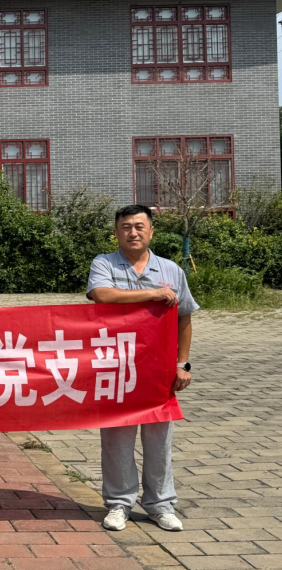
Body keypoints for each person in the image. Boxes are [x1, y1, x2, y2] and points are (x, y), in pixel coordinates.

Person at [87, 204, 197, 533]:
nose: (132, 232)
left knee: (158, 438)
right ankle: (119, 503)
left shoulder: (171, 270)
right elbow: (102, 295)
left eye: (139, 227)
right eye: (125, 227)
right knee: (117, 438)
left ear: (151, 231)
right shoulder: (103, 263)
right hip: (116, 366)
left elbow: (185, 316)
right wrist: (152, 294)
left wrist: (183, 363)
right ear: (116, 231)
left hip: (159, 369)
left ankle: (160, 505)